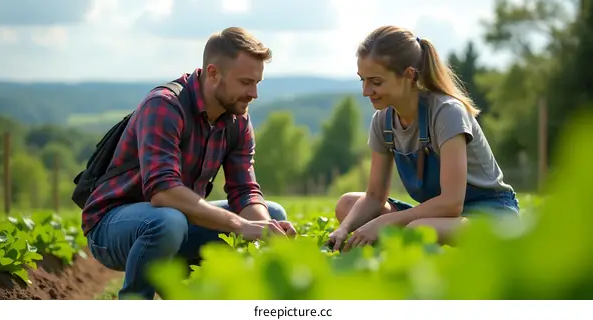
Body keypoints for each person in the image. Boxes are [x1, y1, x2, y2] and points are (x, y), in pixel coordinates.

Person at [81, 27, 297, 300]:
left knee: (273, 214)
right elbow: (164, 192)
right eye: (245, 82)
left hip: (178, 221)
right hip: (113, 225)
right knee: (167, 220)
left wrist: (267, 229)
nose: (254, 93)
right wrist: (241, 226)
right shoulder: (165, 106)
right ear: (213, 73)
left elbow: (245, 191)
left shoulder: (238, 120)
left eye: (257, 82)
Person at [328, 26, 519, 252]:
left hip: (488, 215)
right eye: (363, 80)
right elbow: (374, 196)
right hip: (437, 218)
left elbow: (451, 204)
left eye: (376, 82)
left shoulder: (447, 113)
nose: (366, 91)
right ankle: (400, 244)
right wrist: (345, 228)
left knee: (418, 230)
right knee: (347, 205)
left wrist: (383, 222)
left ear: (409, 75)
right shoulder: (382, 121)